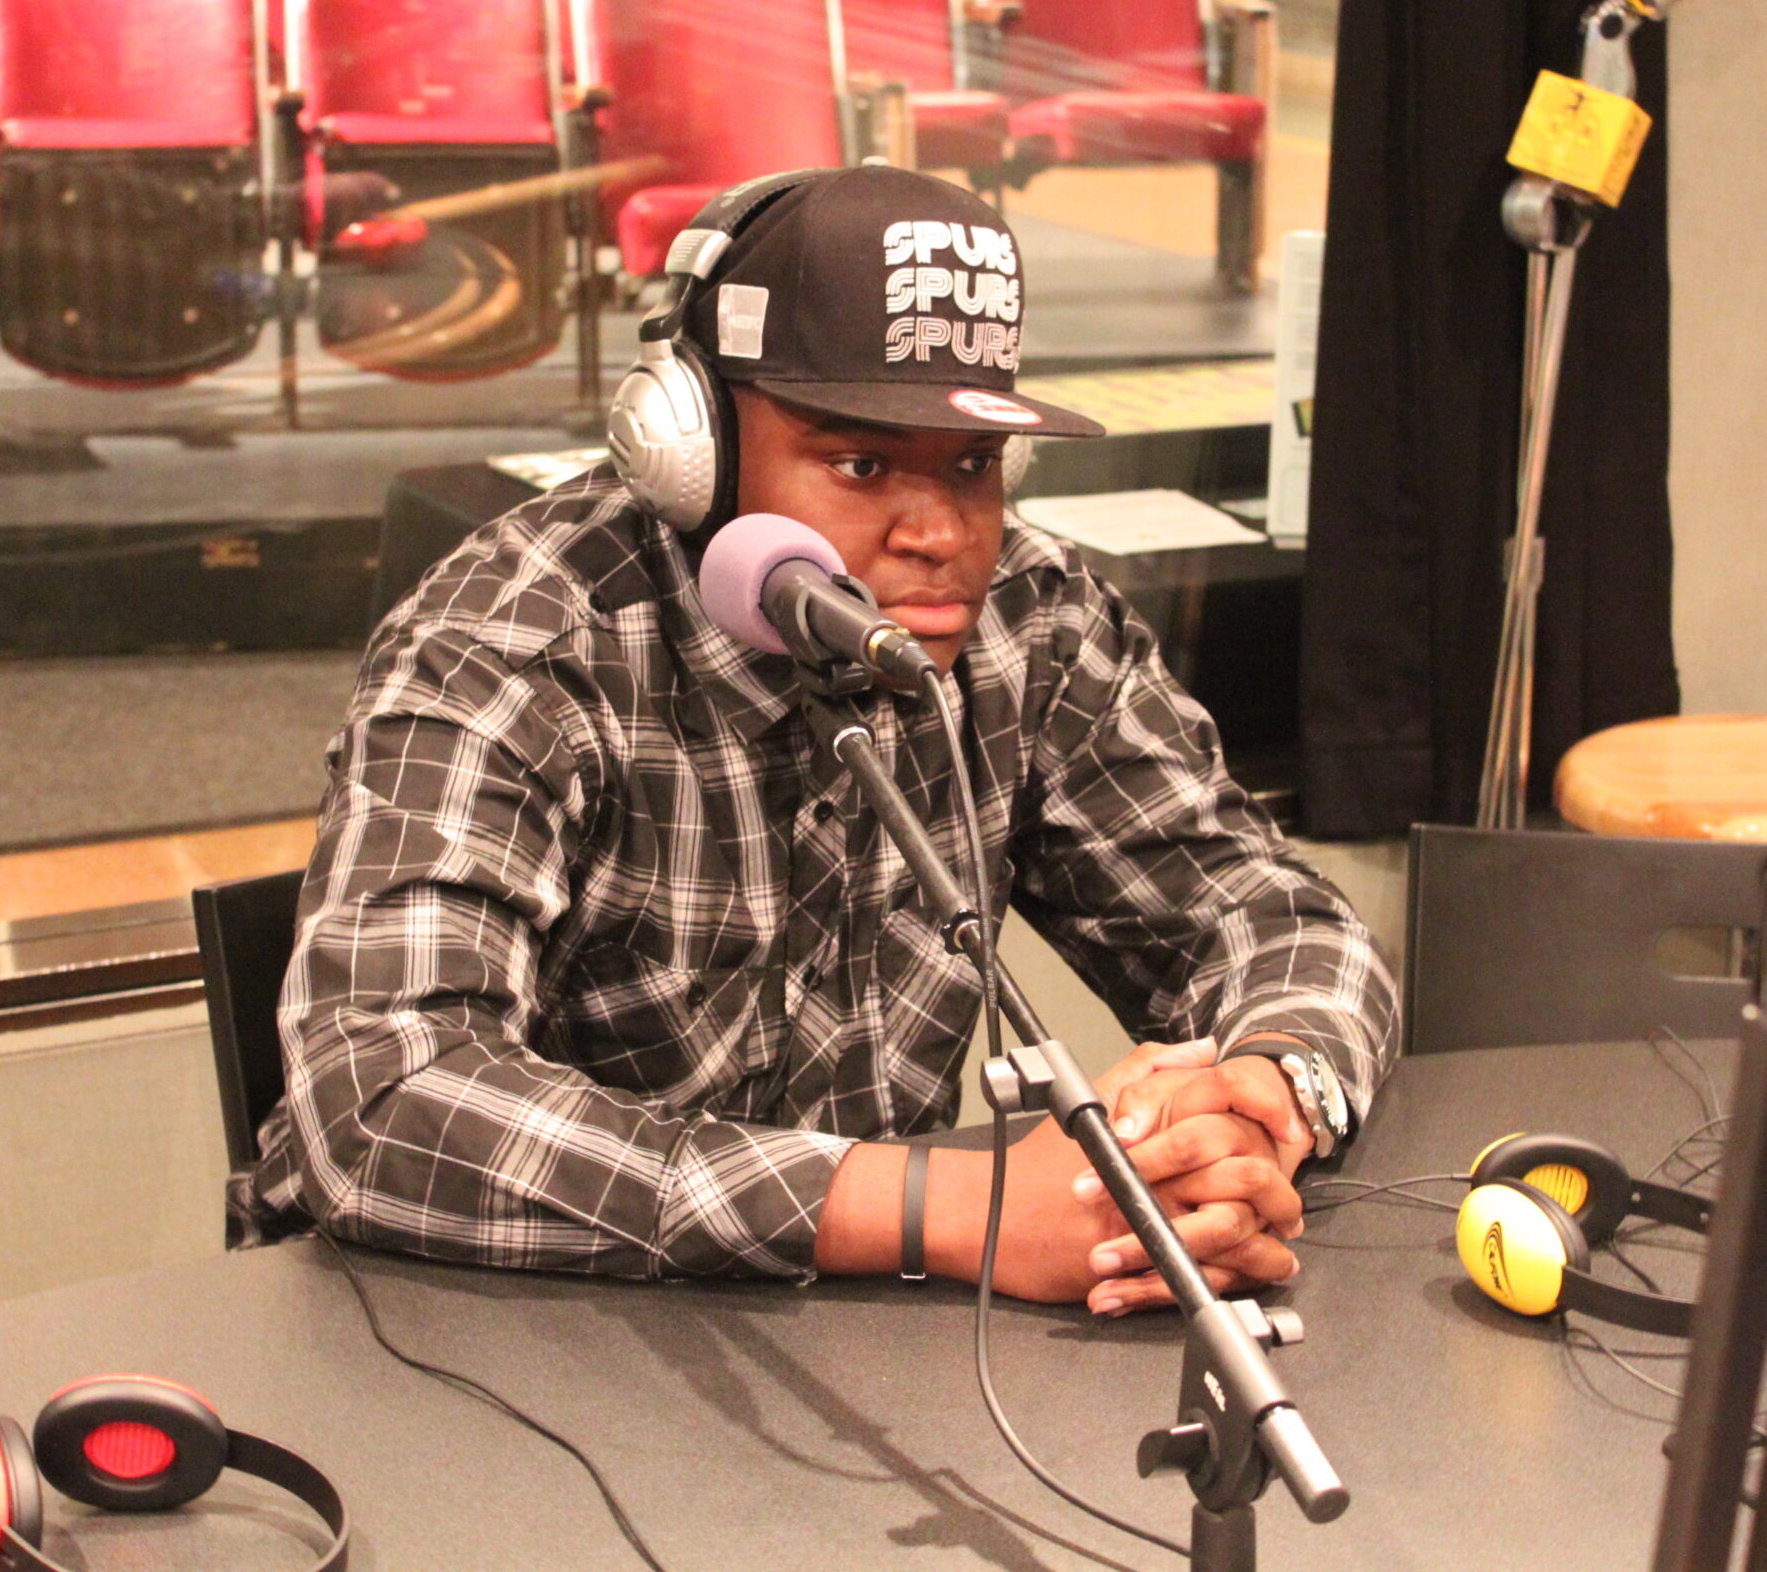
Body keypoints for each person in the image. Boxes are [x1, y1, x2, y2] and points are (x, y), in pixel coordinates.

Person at [233, 166, 1397, 1316]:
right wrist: (946, 1206)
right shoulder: (517, 639)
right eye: (861, 464)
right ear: (689, 451)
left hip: (858, 1330)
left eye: (973, 466)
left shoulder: (1031, 621)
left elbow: (1269, 916)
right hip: (459, 1323)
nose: (940, 533)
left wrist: (1254, 1099)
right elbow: (381, 1099)